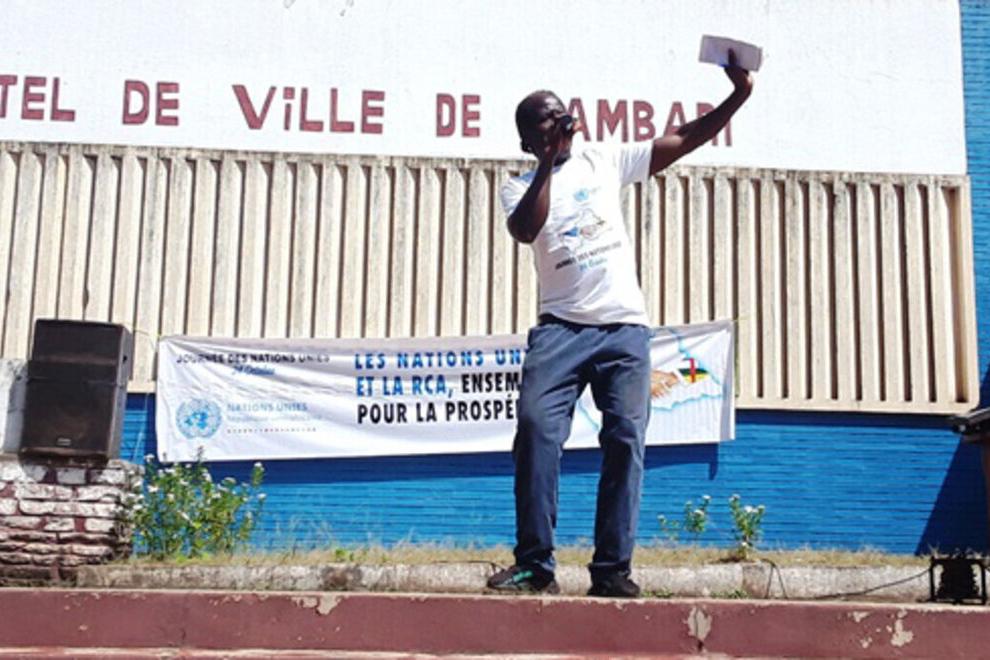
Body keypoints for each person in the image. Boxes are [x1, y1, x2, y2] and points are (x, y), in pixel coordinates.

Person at [486, 51, 753, 598]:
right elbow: (525, 230)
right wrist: (547, 164)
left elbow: (683, 138)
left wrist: (737, 96)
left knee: (626, 439)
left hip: (624, 330)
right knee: (535, 431)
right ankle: (535, 566)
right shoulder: (519, 184)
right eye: (546, 118)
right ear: (528, 139)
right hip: (560, 330)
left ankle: (611, 570)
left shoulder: (603, 159)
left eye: (561, 111)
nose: (561, 120)